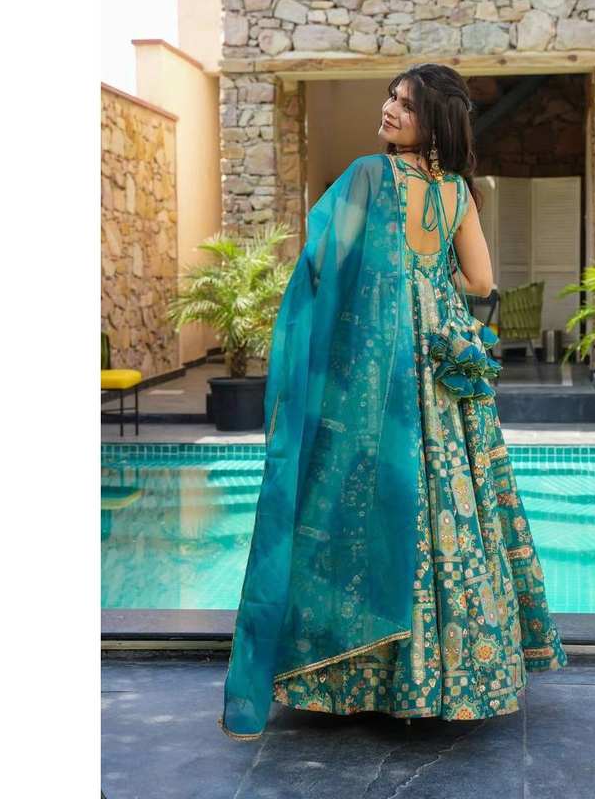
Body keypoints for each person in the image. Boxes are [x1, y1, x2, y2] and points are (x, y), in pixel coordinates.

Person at [219, 63, 566, 740]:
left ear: (432, 120)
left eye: (405, 105)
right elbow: (482, 281)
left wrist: (371, 293)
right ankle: (452, 673)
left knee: (354, 495)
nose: (389, 109)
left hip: (374, 362)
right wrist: (429, 286)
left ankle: (350, 675)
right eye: (391, 97)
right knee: (452, 498)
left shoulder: (367, 178)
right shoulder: (457, 191)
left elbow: (325, 266)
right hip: (441, 354)